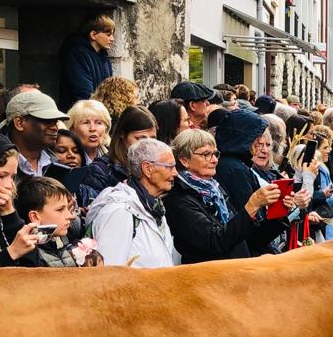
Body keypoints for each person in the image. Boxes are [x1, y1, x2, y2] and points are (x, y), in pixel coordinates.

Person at [164, 129, 286, 264]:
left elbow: (249, 238)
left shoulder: (214, 188)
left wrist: (280, 211)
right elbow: (216, 242)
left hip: (233, 272)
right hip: (210, 279)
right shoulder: (179, 198)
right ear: (184, 160)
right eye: (206, 154)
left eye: (215, 154)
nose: (215, 160)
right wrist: (253, 204)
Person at [86, 138, 177, 268]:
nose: (175, 173)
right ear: (148, 168)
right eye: (170, 167)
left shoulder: (154, 207)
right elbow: (108, 274)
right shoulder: (119, 212)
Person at [14, 176, 98, 267]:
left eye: (68, 208)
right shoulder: (28, 258)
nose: (70, 216)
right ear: (34, 216)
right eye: (60, 209)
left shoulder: (63, 240)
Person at [83, 106, 157, 198]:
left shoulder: (157, 167)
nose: (148, 145)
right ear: (122, 134)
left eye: (153, 139)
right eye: (140, 139)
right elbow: (96, 208)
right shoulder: (100, 171)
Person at [0, 132, 39, 266]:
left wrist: (9, 214)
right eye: (1, 175)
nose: (8, 186)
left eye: (12, 177)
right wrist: (11, 253)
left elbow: (32, 265)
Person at [58, 13, 115, 110]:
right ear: (93, 35)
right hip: (80, 113)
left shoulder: (104, 56)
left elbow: (109, 89)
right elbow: (83, 93)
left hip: (99, 111)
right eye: (108, 35)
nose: (112, 39)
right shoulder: (77, 53)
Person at [67, 99, 112, 167]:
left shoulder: (114, 159)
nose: (93, 128)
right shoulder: (67, 159)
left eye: (99, 123)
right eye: (86, 122)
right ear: (72, 128)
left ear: (106, 128)